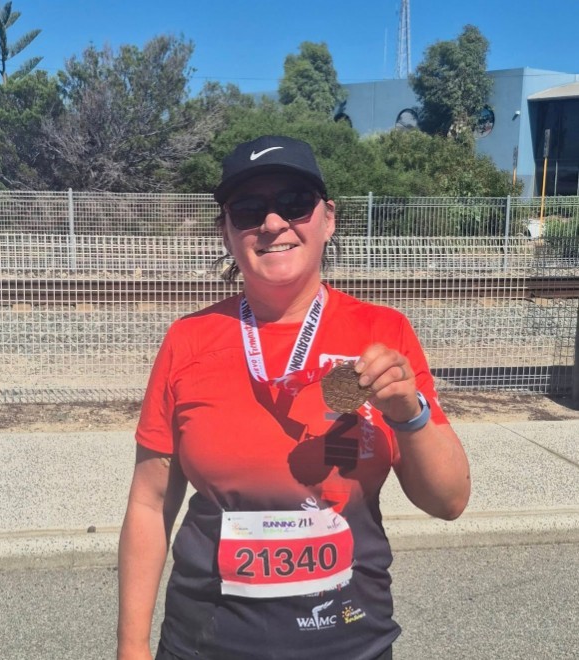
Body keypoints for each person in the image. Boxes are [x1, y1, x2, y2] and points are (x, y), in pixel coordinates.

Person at [117, 135, 471, 660]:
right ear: (226, 232)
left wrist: (408, 413)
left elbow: (449, 501)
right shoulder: (188, 340)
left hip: (349, 640)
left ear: (328, 219)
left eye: (294, 203)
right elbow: (149, 504)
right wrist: (131, 646)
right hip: (205, 642)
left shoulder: (383, 333)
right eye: (248, 209)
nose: (273, 223)